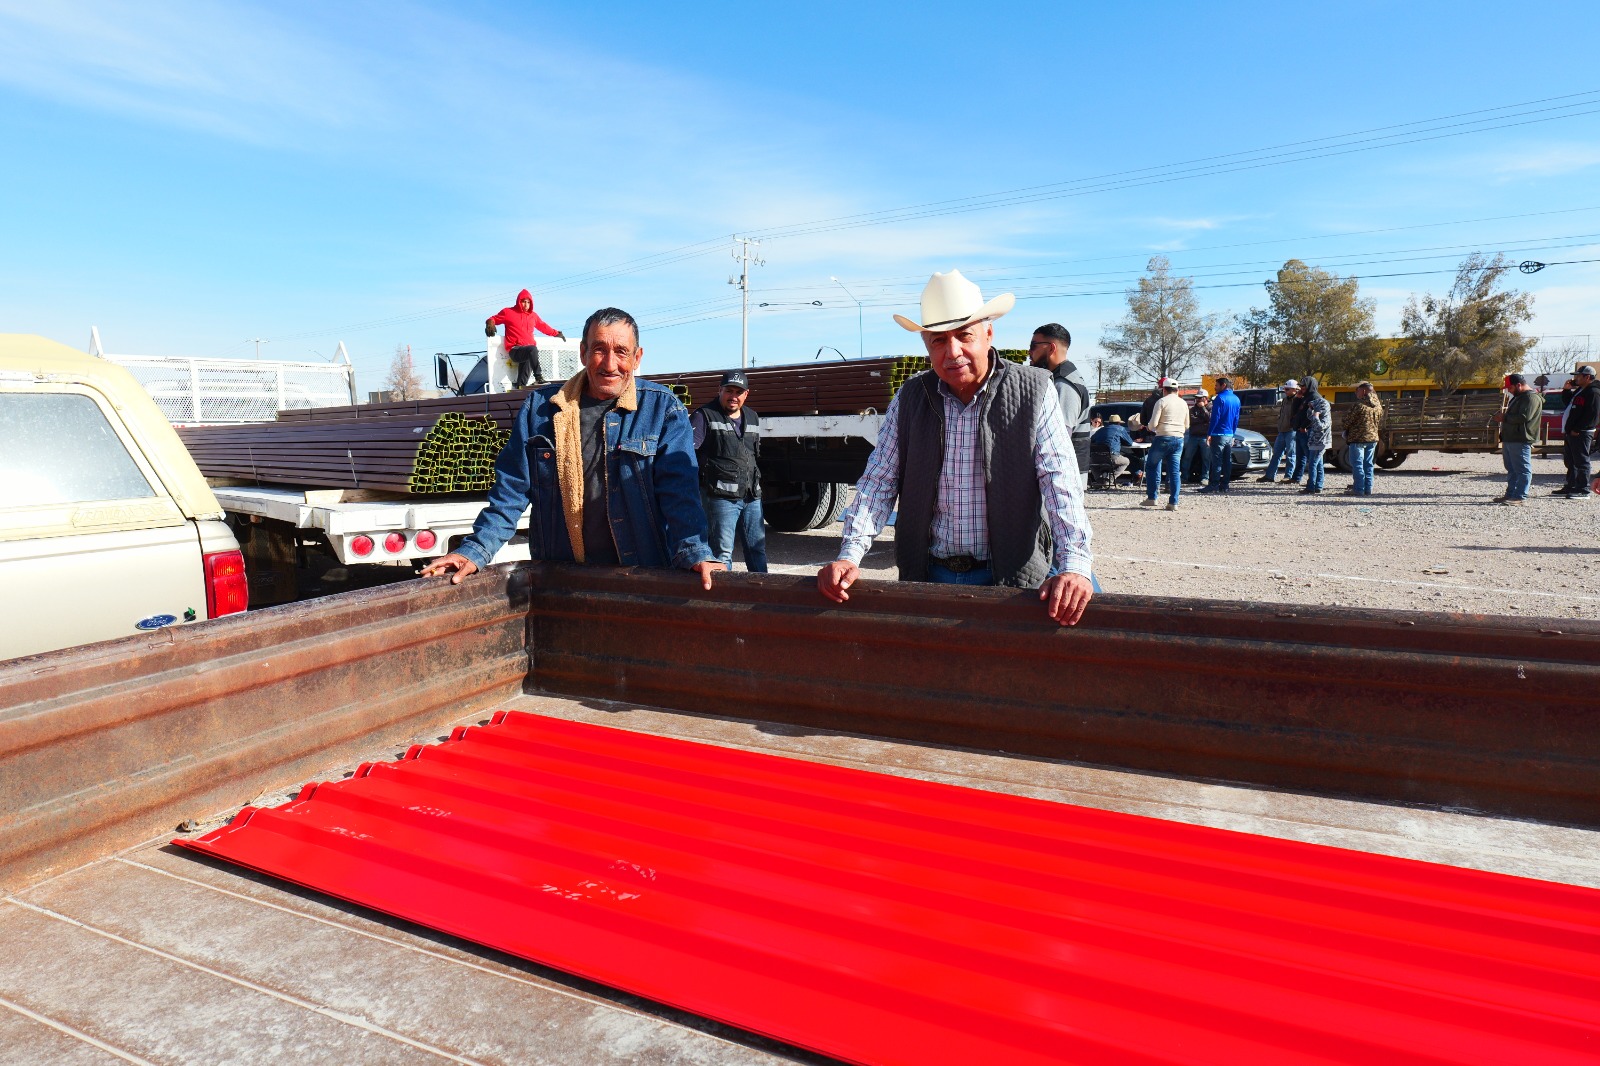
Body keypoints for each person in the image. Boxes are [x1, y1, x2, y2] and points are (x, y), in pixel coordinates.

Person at [816, 269, 1094, 626]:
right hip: (929, 575)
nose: (953, 352)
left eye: (964, 336)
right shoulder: (911, 396)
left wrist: (1074, 565)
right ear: (926, 346)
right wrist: (850, 554)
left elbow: (1059, 480)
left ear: (988, 334)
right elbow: (878, 480)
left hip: (1009, 578)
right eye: (938, 341)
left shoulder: (1035, 389)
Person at [423, 307, 723, 587]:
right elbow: (511, 492)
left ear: (637, 357)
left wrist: (695, 552)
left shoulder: (662, 409)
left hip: (641, 575)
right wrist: (474, 551)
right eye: (599, 349)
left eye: (621, 352)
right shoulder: (541, 410)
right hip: (562, 578)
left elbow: (679, 493)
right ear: (583, 353)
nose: (610, 364)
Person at [690, 369, 767, 571]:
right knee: (722, 554)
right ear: (720, 390)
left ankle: (762, 588)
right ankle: (723, 591)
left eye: (738, 392)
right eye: (729, 391)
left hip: (751, 496)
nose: (733, 396)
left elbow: (752, 456)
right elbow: (688, 455)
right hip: (720, 498)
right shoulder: (704, 415)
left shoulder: (752, 416)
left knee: (757, 549)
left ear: (746, 394)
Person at [1028, 323, 1094, 482]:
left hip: (1063, 478)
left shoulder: (1063, 385)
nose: (1029, 352)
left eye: (1033, 346)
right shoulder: (1064, 378)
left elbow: (1057, 441)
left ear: (1051, 348)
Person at [486, 289, 565, 388]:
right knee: (532, 350)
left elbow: (543, 326)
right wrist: (490, 323)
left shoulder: (533, 316)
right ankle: (538, 377)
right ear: (519, 301)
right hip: (515, 350)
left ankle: (519, 389)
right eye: (524, 301)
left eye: (528, 302)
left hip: (528, 352)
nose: (526, 305)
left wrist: (556, 333)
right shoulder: (508, 312)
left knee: (522, 384)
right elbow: (493, 319)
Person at [1496, 373, 1544, 505]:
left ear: (1518, 385)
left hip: (1521, 438)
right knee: (1512, 469)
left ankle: (1520, 496)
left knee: (1522, 469)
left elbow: (1524, 417)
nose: (1509, 391)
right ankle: (1511, 494)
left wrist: (1504, 417)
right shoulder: (1519, 397)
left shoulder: (1531, 398)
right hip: (1511, 438)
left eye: (1510, 388)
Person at [1141, 377, 1188, 510]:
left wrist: (1150, 427)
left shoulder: (1161, 401)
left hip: (1163, 437)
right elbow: (1187, 425)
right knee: (1174, 471)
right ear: (1177, 389)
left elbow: (1153, 424)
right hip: (1179, 438)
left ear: (1164, 390)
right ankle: (1174, 502)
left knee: (1152, 465)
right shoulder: (1183, 403)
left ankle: (1152, 497)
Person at [1556, 366, 1600, 499]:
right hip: (1572, 431)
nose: (1576, 378)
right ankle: (1572, 485)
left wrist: (1577, 429)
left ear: (1587, 377)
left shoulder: (1593, 392)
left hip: (1582, 432)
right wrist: (1566, 390)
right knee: (1571, 461)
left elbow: (1592, 415)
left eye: (1579, 376)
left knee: (1581, 461)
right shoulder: (1581, 390)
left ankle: (1583, 490)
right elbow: (1569, 404)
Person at [1342, 381, 1383, 496]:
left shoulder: (1359, 405)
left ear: (1364, 391)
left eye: (1358, 391)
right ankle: (1368, 489)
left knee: (1357, 464)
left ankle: (1359, 489)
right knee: (1368, 464)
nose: (1356, 393)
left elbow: (1346, 421)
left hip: (1358, 439)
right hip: (1373, 438)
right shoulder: (1378, 406)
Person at [1201, 377, 1241, 493]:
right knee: (1227, 461)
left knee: (1216, 460)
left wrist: (1209, 433)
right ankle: (1225, 485)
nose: (1215, 387)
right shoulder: (1236, 399)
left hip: (1218, 433)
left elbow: (1215, 417)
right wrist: (1233, 433)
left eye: (1216, 385)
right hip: (1229, 434)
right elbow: (1236, 418)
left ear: (1223, 385)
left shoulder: (1220, 398)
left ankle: (1214, 484)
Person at [1259, 380, 1300, 483]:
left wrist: (1293, 425)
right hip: (1282, 430)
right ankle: (1269, 476)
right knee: (1276, 454)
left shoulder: (1298, 400)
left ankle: (1288, 476)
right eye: (1285, 389)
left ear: (1294, 389)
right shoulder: (1285, 400)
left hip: (1291, 431)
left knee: (1291, 454)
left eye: (1287, 389)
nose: (1285, 391)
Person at [1299, 376, 1331, 494]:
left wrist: (1316, 416)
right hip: (1315, 440)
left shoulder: (1323, 409)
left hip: (1320, 441)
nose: (1302, 388)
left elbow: (1320, 426)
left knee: (1313, 464)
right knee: (1318, 464)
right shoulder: (1312, 400)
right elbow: (1310, 418)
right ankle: (1318, 486)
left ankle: (1311, 487)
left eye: (1304, 385)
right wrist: (1311, 410)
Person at [1090, 414, 1134, 482]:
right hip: (1111, 457)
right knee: (1126, 461)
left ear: (1109, 423)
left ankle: (1098, 479)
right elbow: (1129, 442)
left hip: (1096, 457)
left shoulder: (1101, 430)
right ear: (1119, 423)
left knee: (1092, 463)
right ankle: (1109, 479)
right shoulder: (1120, 429)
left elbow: (1092, 440)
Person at [1183, 389, 1211, 485]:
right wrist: (1203, 420)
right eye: (1197, 398)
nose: (1198, 400)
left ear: (1206, 398)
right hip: (1193, 436)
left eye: (1200, 398)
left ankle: (1205, 478)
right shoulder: (1192, 409)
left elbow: (1210, 419)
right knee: (1187, 457)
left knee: (1206, 458)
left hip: (1205, 436)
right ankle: (1184, 476)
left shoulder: (1211, 407)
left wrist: (1203, 408)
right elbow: (1191, 420)